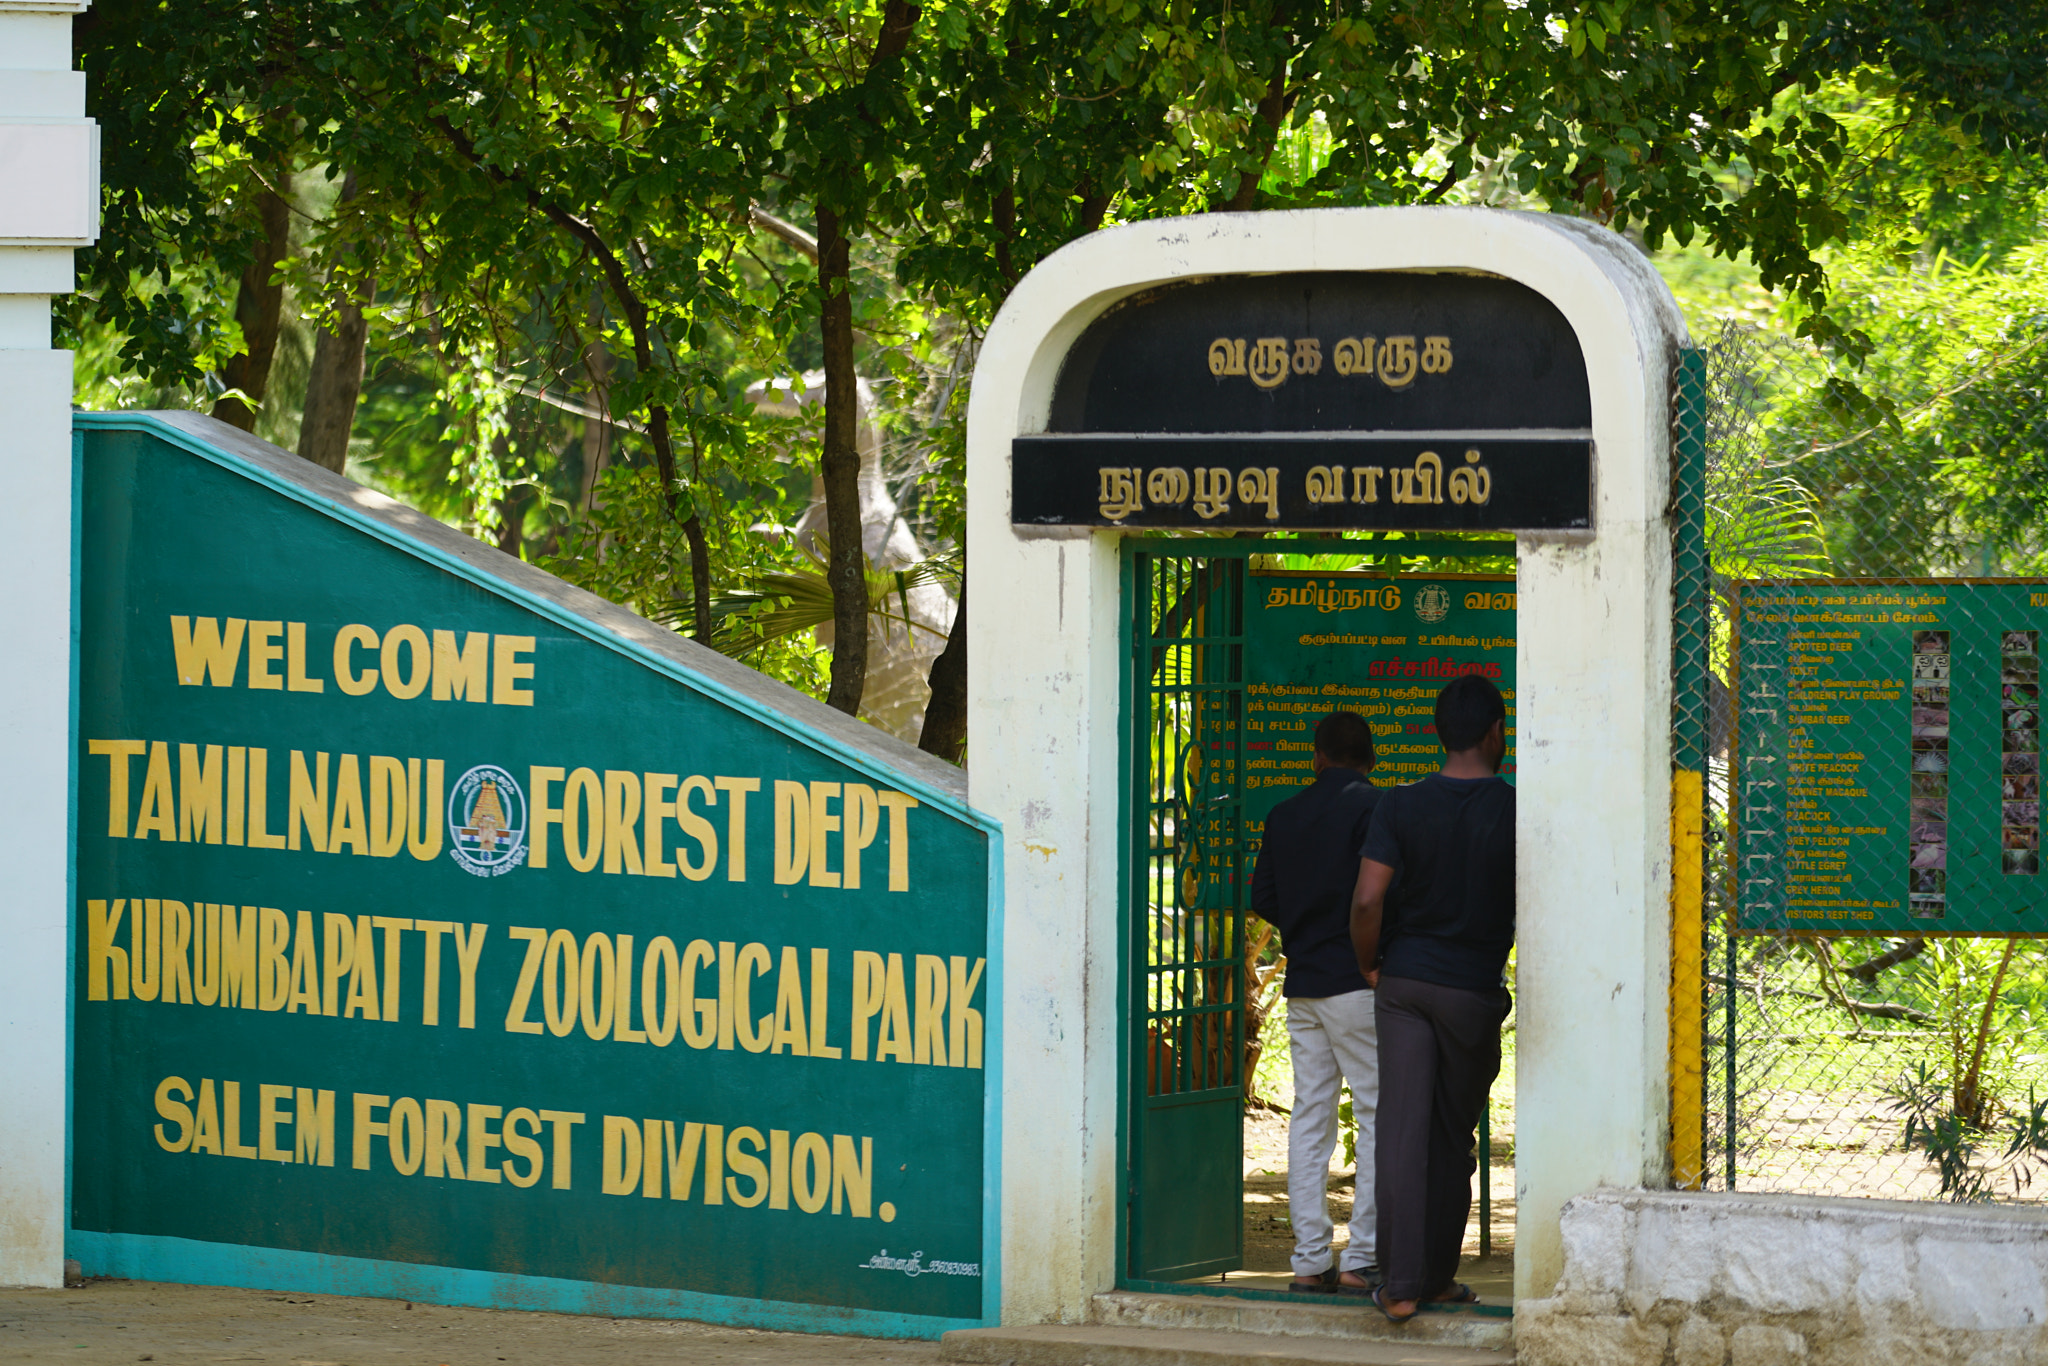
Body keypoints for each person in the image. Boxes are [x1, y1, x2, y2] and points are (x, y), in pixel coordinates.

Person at [1350, 674, 1514, 1322]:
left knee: (1401, 1131)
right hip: (1472, 991)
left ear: (1438, 733)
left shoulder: (1398, 805)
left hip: (1405, 985)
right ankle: (1438, 1278)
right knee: (1451, 1137)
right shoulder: (1515, 809)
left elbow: (1367, 898)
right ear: (1496, 732)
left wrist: (1369, 964)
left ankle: (1400, 1287)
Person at [1249, 711, 1384, 1296]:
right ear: (1371, 759)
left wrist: (1307, 929)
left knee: (1310, 1117)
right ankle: (1363, 1256)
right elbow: (1382, 893)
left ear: (1317, 757)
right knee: (1378, 1114)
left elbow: (1265, 896)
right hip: (1358, 982)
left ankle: (1309, 1260)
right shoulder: (1379, 808)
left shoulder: (1284, 815)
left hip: (1304, 984)